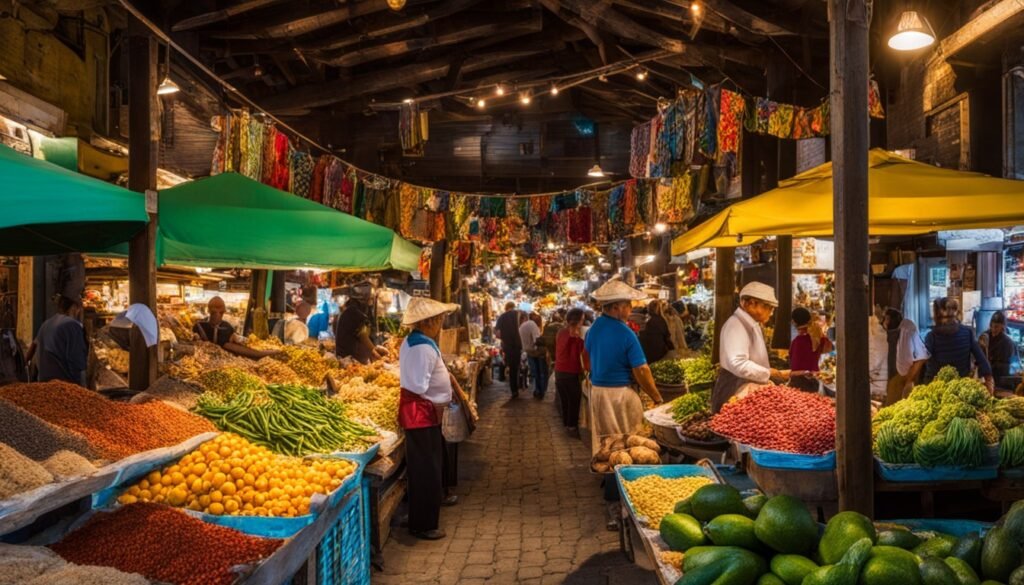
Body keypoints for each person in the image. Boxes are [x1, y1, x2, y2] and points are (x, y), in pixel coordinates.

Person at [398, 297, 476, 541]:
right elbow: (418, 385)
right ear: (429, 321)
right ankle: (423, 524)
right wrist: (438, 402)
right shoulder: (420, 347)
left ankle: (422, 516)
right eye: (440, 320)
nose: (441, 324)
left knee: (428, 466)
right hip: (421, 414)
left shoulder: (420, 342)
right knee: (425, 470)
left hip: (425, 413)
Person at [584, 281, 663, 457]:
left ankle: (610, 476)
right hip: (620, 395)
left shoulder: (593, 329)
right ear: (616, 307)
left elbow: (587, 361)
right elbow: (641, 370)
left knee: (607, 443)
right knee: (629, 445)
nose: (630, 310)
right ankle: (626, 478)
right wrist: (656, 397)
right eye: (628, 306)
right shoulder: (626, 333)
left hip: (598, 393)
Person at [713, 282, 790, 413]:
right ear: (750, 303)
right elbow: (738, 363)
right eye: (768, 307)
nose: (771, 312)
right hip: (735, 389)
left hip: (748, 389)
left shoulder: (752, 324)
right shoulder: (735, 325)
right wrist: (769, 373)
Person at [923, 297, 993, 392]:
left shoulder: (931, 336)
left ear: (937, 314)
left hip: (936, 388)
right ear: (957, 312)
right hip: (960, 388)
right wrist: (989, 380)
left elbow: (921, 361)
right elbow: (981, 359)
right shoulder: (967, 332)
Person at [25, 294, 88, 385]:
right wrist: (82, 386)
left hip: (44, 381)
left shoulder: (47, 323)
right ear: (74, 307)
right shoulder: (72, 325)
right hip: (63, 384)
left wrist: (25, 365)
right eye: (79, 309)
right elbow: (77, 360)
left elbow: (33, 347)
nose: (79, 312)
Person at [193, 296, 277, 359]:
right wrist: (261, 354)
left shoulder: (225, 327)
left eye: (220, 313)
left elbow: (237, 341)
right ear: (209, 311)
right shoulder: (199, 326)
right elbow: (232, 346)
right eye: (215, 312)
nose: (218, 315)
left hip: (219, 361)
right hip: (210, 362)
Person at [883, 308, 928, 404]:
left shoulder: (907, 329)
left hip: (903, 378)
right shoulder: (892, 333)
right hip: (894, 380)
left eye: (887, 319)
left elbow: (922, 357)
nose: (885, 322)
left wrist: (909, 380)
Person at [555, 308, 586, 434]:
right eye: (582, 319)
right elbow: (580, 352)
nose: (583, 322)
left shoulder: (561, 332)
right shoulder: (574, 334)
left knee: (565, 400)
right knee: (574, 400)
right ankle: (572, 426)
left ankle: (566, 424)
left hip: (559, 370)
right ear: (577, 320)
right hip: (570, 371)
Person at [788, 307, 833, 391]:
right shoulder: (818, 337)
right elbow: (829, 349)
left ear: (794, 322)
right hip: (815, 383)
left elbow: (795, 370)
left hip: (799, 385)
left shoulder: (797, 342)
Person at [334, 295, 383, 364]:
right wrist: (375, 353)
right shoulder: (355, 313)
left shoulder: (347, 312)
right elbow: (363, 336)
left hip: (343, 358)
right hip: (351, 361)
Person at [980, 311, 1016, 389]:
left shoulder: (1008, 343)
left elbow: (1006, 367)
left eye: (996, 327)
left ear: (1002, 327)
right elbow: (978, 356)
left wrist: (992, 365)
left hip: (999, 379)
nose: (993, 329)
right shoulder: (984, 336)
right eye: (992, 326)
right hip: (984, 376)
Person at [495, 302, 524, 397]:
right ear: (513, 307)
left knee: (512, 368)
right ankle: (521, 385)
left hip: (508, 347)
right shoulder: (520, 314)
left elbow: (498, 334)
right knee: (518, 366)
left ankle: (514, 391)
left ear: (506, 308)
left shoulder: (502, 317)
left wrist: (505, 337)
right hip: (518, 346)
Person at [521, 312, 548, 399]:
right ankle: (541, 391)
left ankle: (537, 390)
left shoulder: (524, 325)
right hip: (537, 352)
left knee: (535, 372)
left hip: (529, 351)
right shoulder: (533, 325)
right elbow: (536, 340)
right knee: (542, 372)